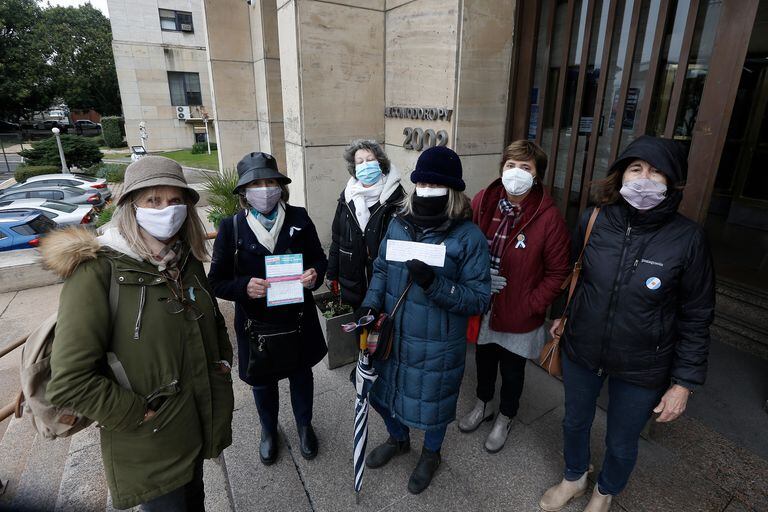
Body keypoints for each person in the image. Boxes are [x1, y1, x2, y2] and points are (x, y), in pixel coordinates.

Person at [43, 156, 234, 511]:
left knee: (195, 501)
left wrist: (222, 360)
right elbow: (69, 379)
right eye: (153, 201)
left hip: (195, 422)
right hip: (150, 440)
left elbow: (212, 320)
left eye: (176, 200)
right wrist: (136, 413)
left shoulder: (184, 259)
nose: (167, 210)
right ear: (132, 207)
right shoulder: (97, 272)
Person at [539, 136, 715, 512]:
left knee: (622, 440)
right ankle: (574, 476)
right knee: (574, 421)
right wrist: (563, 315)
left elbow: (697, 314)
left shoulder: (689, 239)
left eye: (655, 172)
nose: (644, 178)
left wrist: (683, 382)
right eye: (636, 169)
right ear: (620, 176)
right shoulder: (594, 219)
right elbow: (575, 274)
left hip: (643, 364)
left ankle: (605, 491)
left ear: (671, 183)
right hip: (583, 346)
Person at [356, 146, 491, 494]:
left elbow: (478, 298)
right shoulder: (398, 224)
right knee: (381, 396)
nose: (427, 189)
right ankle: (399, 439)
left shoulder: (468, 237)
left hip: (437, 343)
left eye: (436, 183)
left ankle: (431, 453)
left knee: (432, 405)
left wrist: (434, 284)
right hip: (392, 334)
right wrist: (370, 307)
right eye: (422, 182)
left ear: (452, 191)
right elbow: (383, 270)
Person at [207, 152, 328, 466]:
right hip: (256, 325)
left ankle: (304, 425)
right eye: (256, 183)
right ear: (244, 191)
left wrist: (315, 275)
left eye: (270, 181)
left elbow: (319, 259)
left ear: (280, 186)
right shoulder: (231, 228)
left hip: (298, 320)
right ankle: (268, 429)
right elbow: (216, 281)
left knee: (301, 376)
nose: (264, 189)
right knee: (263, 381)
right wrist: (243, 287)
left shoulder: (299, 218)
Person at [458, 140, 570, 453]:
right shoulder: (484, 201)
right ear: (502, 168)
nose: (516, 173)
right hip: (485, 304)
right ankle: (483, 404)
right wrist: (475, 280)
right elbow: (465, 246)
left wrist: (531, 304)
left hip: (520, 311)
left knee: (512, 370)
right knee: (483, 360)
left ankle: (505, 416)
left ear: (537, 176)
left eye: (525, 167)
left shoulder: (548, 218)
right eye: (510, 165)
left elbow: (558, 273)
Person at [327, 140, 405, 308]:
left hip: (386, 285)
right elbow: (337, 239)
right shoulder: (347, 199)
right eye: (360, 161)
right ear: (354, 168)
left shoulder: (397, 199)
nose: (365, 165)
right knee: (359, 330)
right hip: (353, 282)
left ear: (380, 162)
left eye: (370, 159)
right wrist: (332, 274)